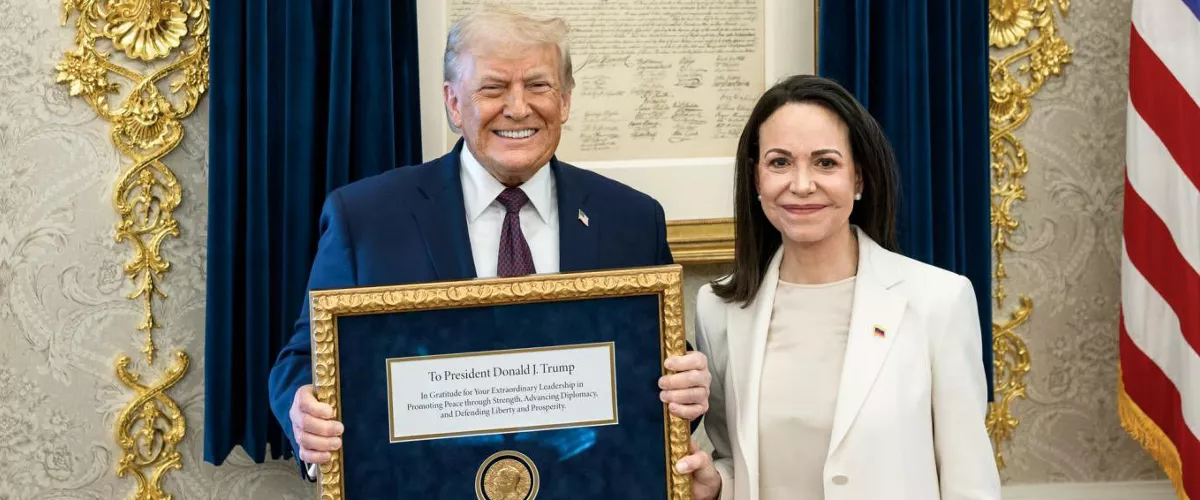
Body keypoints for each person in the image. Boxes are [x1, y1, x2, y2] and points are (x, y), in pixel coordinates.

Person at [267, 6, 713, 482]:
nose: (518, 108)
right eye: (493, 88)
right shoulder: (366, 218)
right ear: (454, 103)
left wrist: (686, 389)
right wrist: (305, 415)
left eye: (538, 86)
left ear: (564, 100)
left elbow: (656, 364)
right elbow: (304, 359)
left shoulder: (631, 218)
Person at [682, 75, 1001, 499]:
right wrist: (717, 482)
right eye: (779, 162)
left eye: (826, 163)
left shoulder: (938, 301)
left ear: (859, 179)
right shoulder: (719, 307)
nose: (801, 184)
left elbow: (970, 480)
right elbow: (736, 458)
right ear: (757, 181)